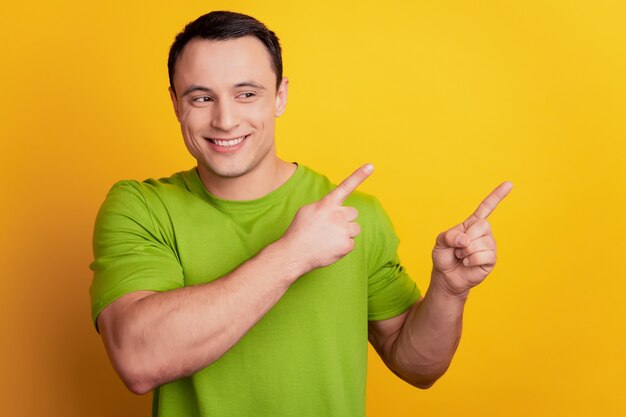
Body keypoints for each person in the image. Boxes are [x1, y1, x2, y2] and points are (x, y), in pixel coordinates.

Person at [90, 10, 512, 417]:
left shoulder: (352, 215)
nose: (225, 119)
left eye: (246, 94)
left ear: (280, 96)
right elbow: (139, 359)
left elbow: (418, 366)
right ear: (175, 104)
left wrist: (449, 292)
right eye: (201, 97)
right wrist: (293, 255)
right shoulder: (141, 208)